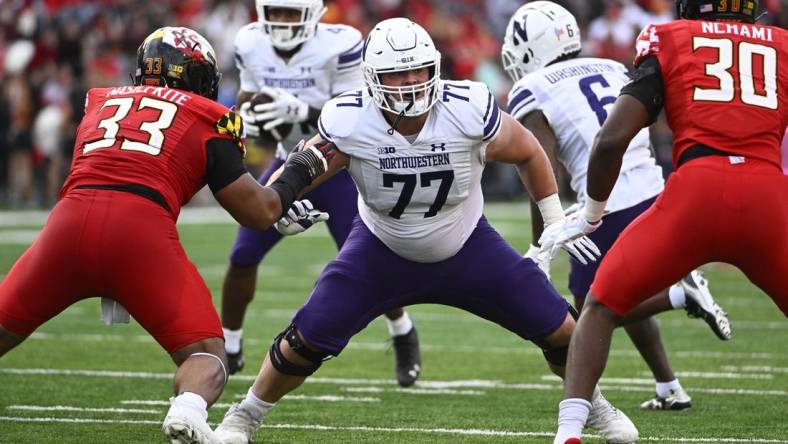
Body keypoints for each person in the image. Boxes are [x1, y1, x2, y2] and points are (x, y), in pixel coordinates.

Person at [214, 18, 639, 444]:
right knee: (306, 336)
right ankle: (245, 415)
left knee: (563, 328)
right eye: (398, 73)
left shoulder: (467, 107)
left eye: (419, 69)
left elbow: (528, 150)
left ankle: (595, 405)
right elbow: (307, 164)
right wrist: (285, 199)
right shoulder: (350, 117)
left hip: (468, 244)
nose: (411, 82)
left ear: (435, 67)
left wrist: (552, 221)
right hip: (380, 249)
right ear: (372, 78)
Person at [0, 27, 333, 444]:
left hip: (66, 225)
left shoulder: (100, 101)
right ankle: (187, 411)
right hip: (140, 233)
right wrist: (301, 168)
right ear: (199, 77)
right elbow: (257, 212)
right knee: (208, 358)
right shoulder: (210, 116)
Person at [540, 1, 787, 442]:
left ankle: (570, 432)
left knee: (599, 306)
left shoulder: (671, 38)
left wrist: (592, 213)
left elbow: (612, 139)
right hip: (769, 198)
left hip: (696, 194)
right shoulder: (783, 46)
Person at [501, 1, 731, 412]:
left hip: (606, 200)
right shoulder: (609, 66)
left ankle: (679, 297)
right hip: (655, 190)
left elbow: (540, 164)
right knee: (622, 282)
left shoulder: (532, 87)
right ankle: (669, 386)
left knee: (587, 307)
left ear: (530, 48)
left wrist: (542, 243)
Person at [224, 0, 423, 386]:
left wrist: (302, 110)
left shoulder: (342, 43)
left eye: (289, 12)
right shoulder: (249, 41)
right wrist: (246, 115)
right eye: (275, 12)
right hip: (287, 163)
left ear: (313, 13)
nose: (281, 20)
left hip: (337, 167)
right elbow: (248, 99)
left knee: (369, 264)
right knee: (243, 253)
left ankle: (402, 330)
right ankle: (229, 345)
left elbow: (358, 115)